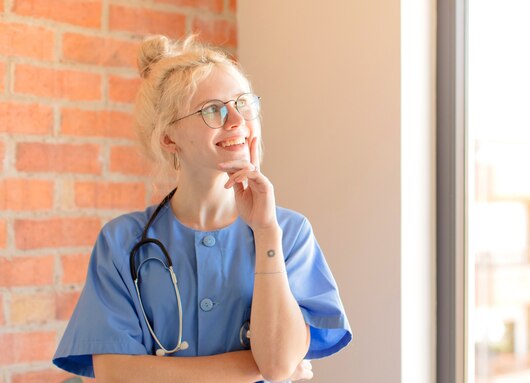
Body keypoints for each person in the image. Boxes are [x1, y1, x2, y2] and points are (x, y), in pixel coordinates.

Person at [53, 35, 352, 382]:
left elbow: (278, 364)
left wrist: (267, 232)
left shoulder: (289, 232)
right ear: (169, 138)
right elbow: (116, 373)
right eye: (213, 110)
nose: (236, 120)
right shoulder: (121, 241)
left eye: (243, 104)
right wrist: (250, 367)